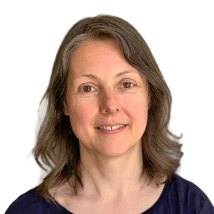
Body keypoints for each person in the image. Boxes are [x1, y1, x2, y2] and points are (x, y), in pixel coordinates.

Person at [6, 14, 214, 214]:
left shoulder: (191, 206)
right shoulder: (25, 211)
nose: (110, 104)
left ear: (150, 96)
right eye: (87, 88)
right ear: (64, 103)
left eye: (126, 84)